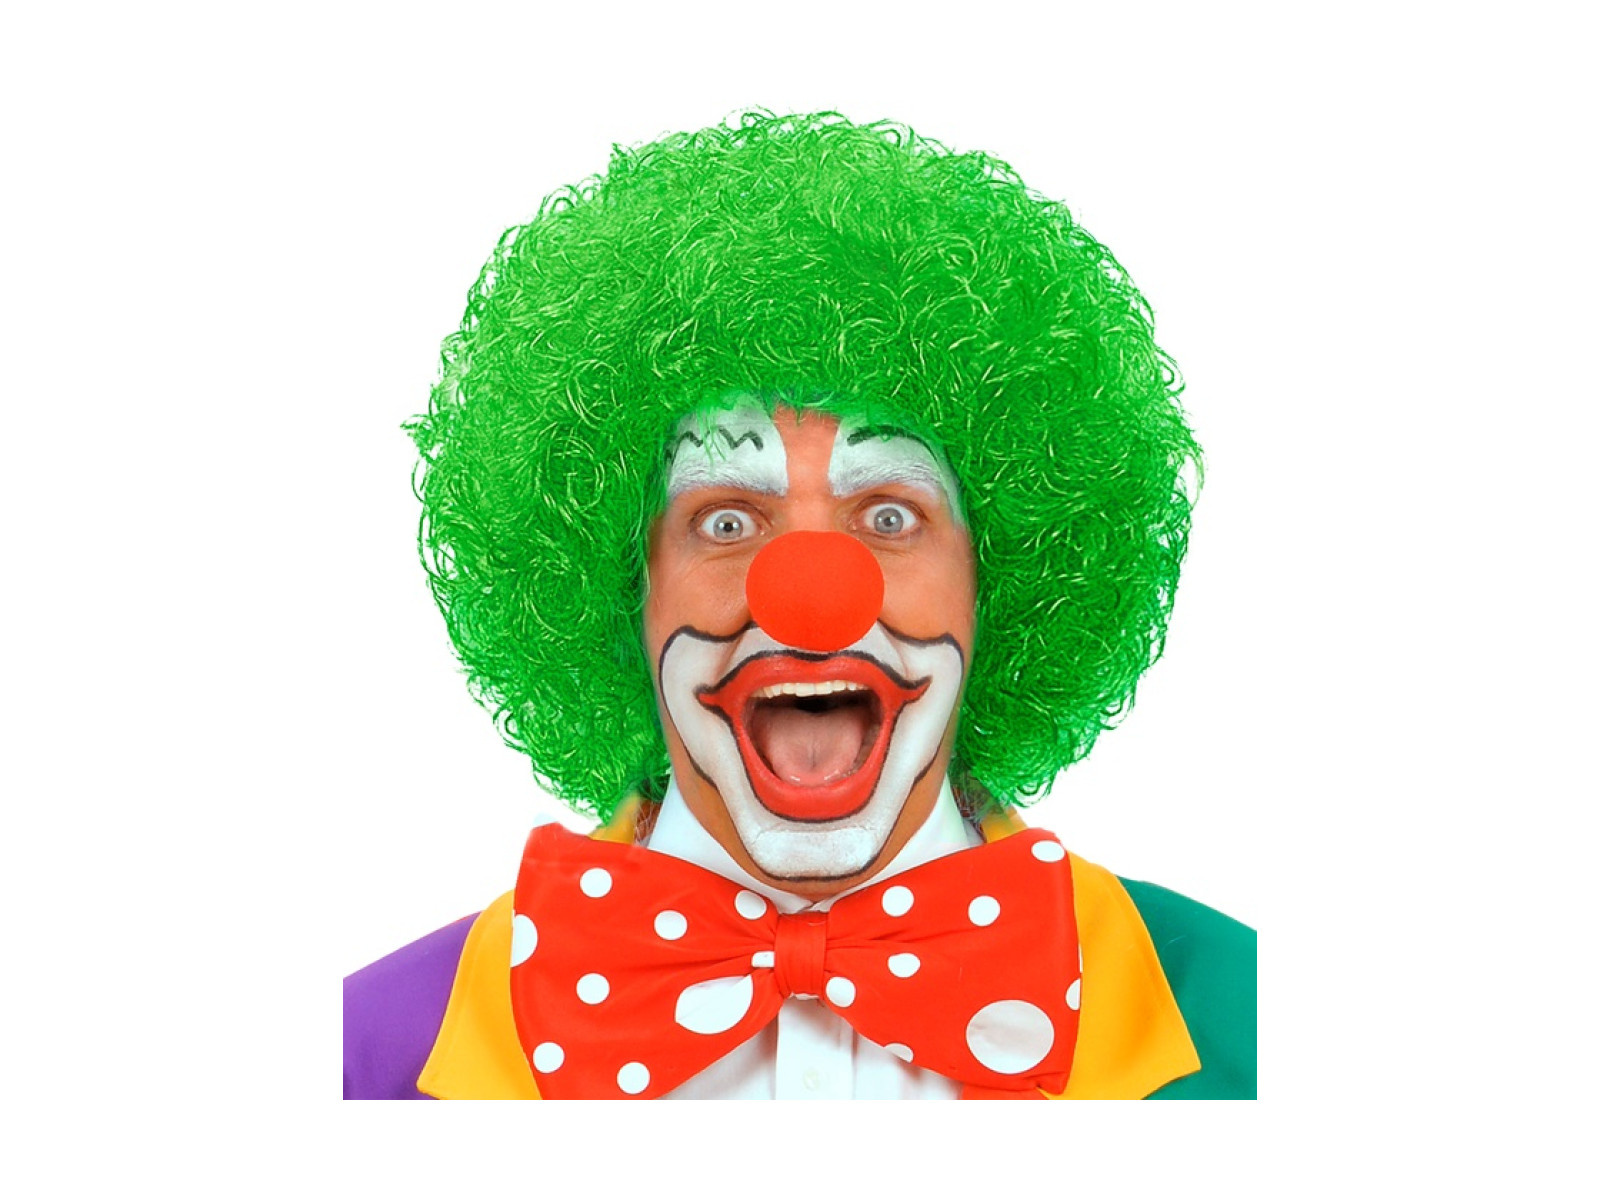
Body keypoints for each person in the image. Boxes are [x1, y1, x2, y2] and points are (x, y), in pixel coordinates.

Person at [343, 111, 1256, 1100]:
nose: (810, 596)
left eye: (890, 515)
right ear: (620, 590)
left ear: (998, 581)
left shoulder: (1242, 1014)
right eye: (727, 521)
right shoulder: (372, 1050)